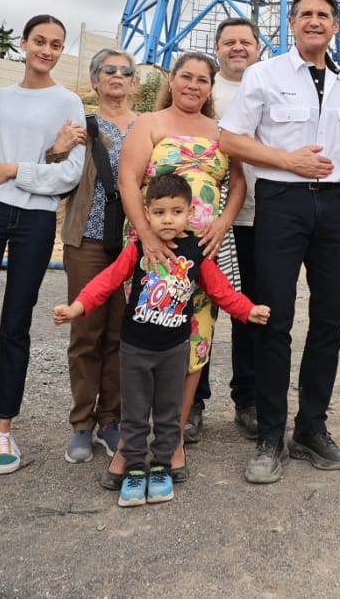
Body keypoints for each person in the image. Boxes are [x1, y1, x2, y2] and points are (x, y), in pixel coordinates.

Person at [219, 0, 340, 484]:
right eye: (305, 13)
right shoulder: (263, 74)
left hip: (330, 206)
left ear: (335, 24)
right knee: (273, 317)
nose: (314, 21)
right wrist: (288, 160)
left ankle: (311, 429)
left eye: (323, 14)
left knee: (332, 316)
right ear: (292, 22)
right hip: (280, 202)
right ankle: (270, 436)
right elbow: (230, 137)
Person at [55, 173, 270, 507]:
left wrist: (248, 311)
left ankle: (160, 468)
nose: (167, 219)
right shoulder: (139, 248)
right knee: (135, 413)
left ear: (189, 213)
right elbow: (107, 280)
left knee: (170, 414)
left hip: (174, 349)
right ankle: (135, 469)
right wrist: (77, 307)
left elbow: (222, 291)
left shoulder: (197, 251)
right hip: (135, 348)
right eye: (159, 212)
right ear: (147, 213)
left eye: (175, 211)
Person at [0, 15, 86, 478]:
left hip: (36, 218)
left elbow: (69, 174)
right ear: (24, 44)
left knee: (17, 324)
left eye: (56, 44)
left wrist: (12, 170)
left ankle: (4, 427)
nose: (46, 50)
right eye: (40, 41)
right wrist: (20, 167)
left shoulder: (68, 102)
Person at [98, 51, 243, 489]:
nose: (193, 85)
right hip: (153, 253)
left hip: (201, 253)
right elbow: (127, 180)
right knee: (144, 345)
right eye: (186, 77)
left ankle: (173, 439)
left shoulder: (222, 131)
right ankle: (130, 444)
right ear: (172, 81)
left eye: (203, 79)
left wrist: (222, 223)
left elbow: (236, 184)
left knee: (194, 344)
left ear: (211, 87)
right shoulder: (150, 123)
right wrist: (146, 235)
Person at [56, 49, 139, 466]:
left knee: (121, 334)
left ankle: (112, 418)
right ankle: (82, 424)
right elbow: (57, 173)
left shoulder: (147, 127)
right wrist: (56, 149)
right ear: (95, 80)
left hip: (134, 242)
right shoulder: (81, 128)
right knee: (86, 332)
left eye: (126, 72)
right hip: (87, 241)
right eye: (109, 70)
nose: (118, 77)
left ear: (134, 82)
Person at [189, 16, 266, 443]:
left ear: (258, 47)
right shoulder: (204, 92)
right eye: (229, 42)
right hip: (205, 222)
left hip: (258, 218)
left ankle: (248, 400)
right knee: (199, 307)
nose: (238, 48)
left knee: (250, 310)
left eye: (246, 42)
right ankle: (193, 399)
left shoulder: (269, 86)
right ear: (217, 48)